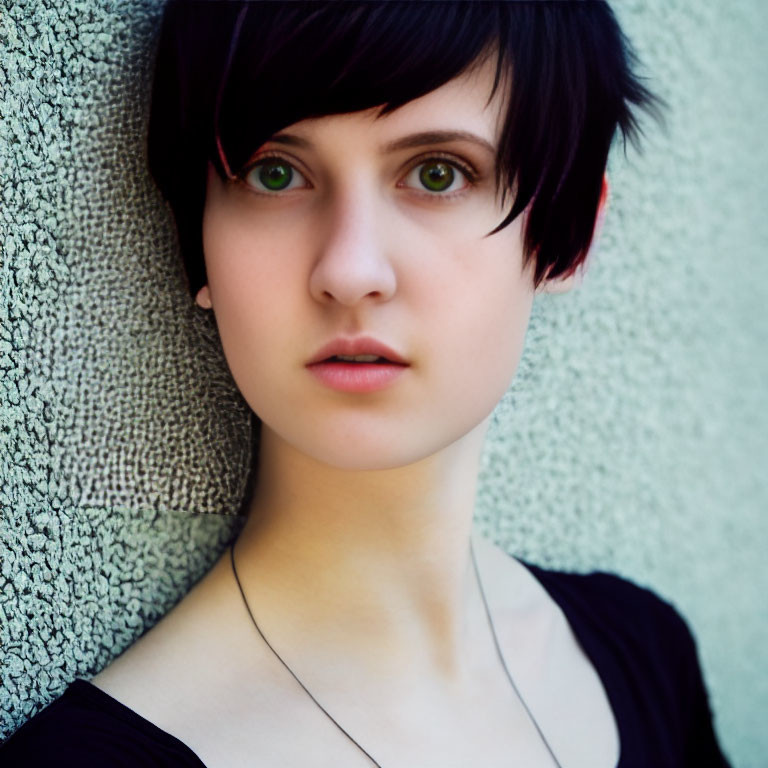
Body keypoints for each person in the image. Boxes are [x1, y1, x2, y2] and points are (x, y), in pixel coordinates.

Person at [1, 1, 732, 766]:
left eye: (437, 172)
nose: (349, 269)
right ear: (197, 241)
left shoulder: (646, 653)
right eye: (274, 173)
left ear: (568, 233)